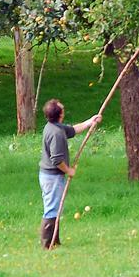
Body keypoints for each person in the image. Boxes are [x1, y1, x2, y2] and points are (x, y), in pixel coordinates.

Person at [39, 99, 101, 249]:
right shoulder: (56, 134)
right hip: (52, 177)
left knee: (55, 208)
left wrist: (89, 122)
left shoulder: (54, 127)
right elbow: (56, 160)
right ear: (60, 114)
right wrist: (68, 170)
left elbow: (72, 130)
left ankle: (55, 241)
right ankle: (47, 244)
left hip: (50, 176)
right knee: (52, 208)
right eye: (62, 108)